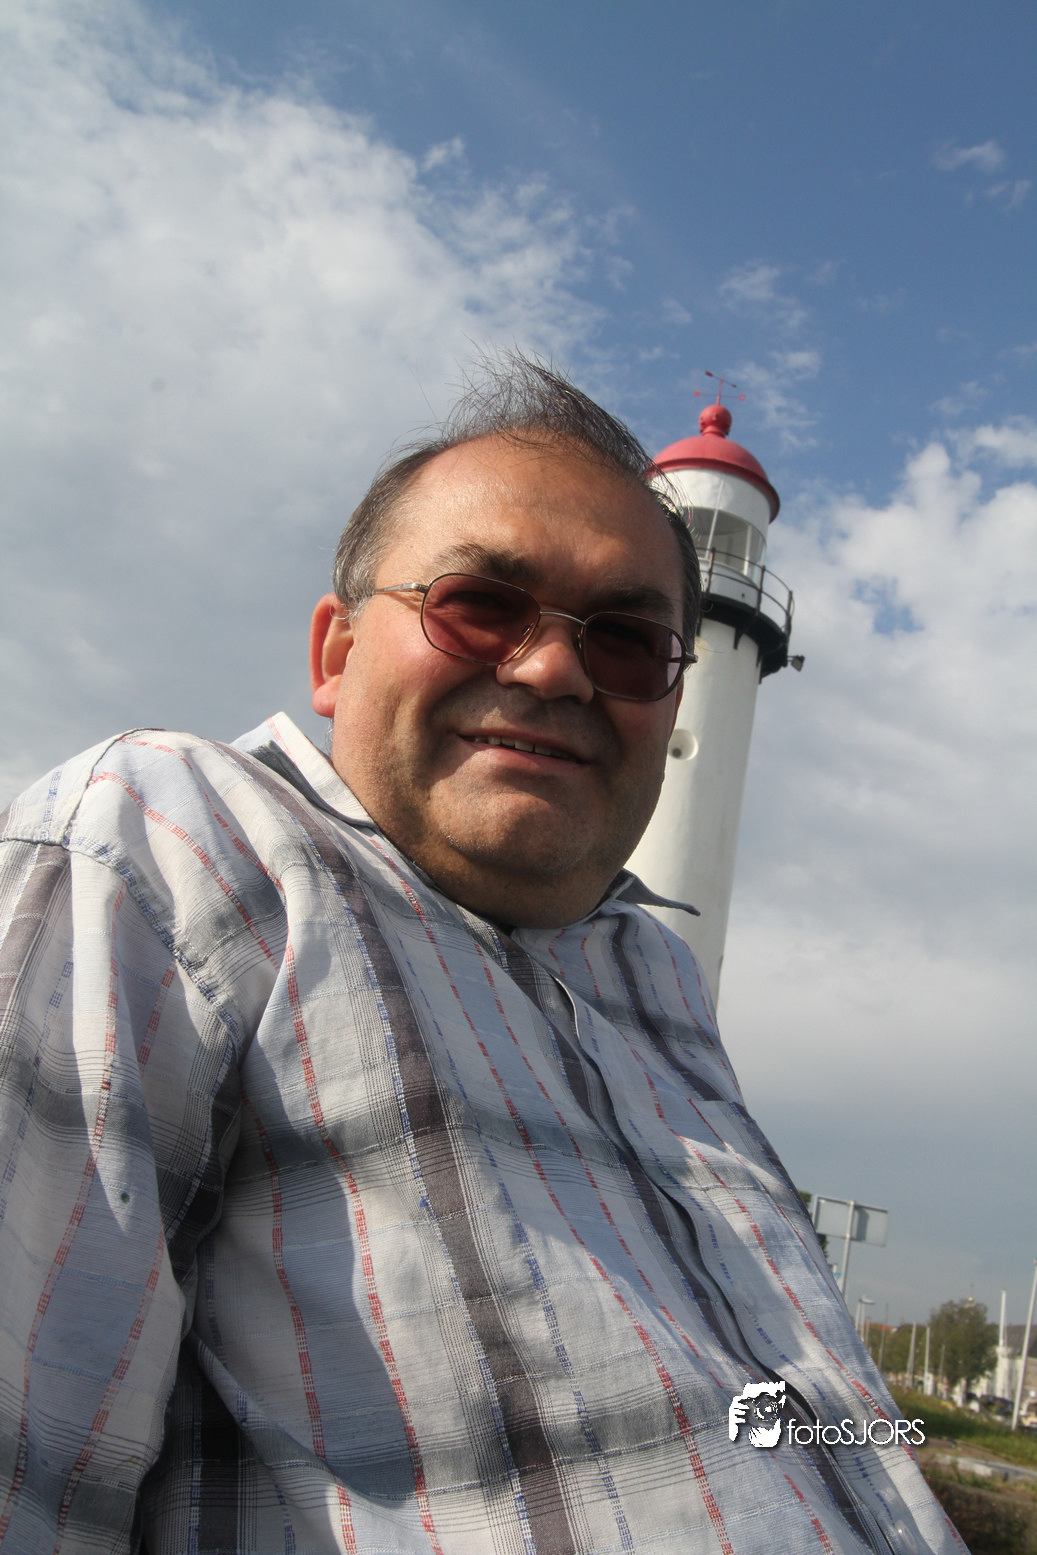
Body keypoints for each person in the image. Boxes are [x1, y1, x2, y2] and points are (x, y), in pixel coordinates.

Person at [0, 356, 958, 1553]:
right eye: (480, 603)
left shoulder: (655, 974)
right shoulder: (176, 841)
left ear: (675, 691)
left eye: (627, 639)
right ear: (336, 652)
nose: (552, 667)